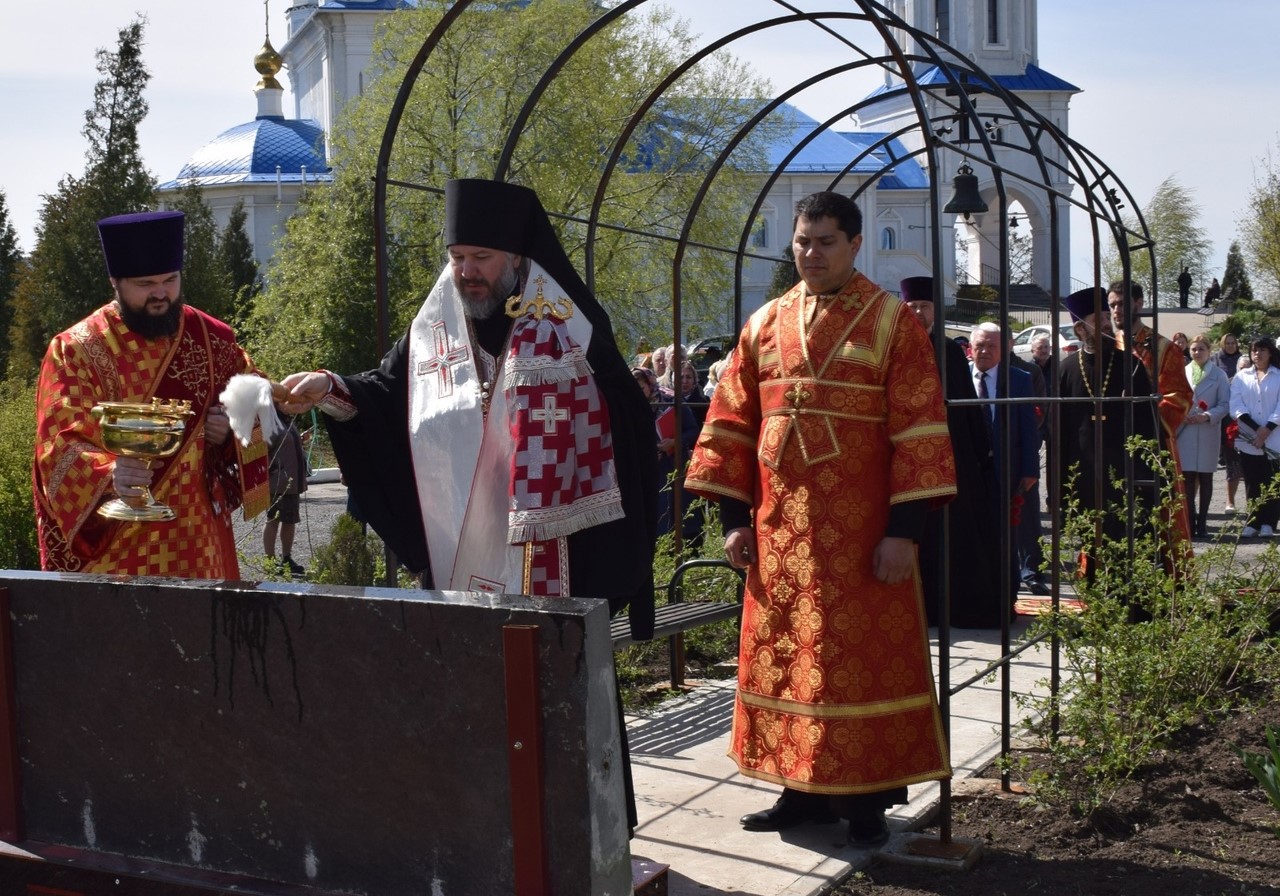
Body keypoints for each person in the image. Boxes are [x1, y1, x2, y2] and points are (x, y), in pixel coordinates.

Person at [278, 179, 658, 829]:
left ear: (515, 260)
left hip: (553, 559)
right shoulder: (437, 326)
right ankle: (482, 835)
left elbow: (627, 426)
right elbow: (386, 393)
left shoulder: (567, 325)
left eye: (480, 258)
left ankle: (585, 837)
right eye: (456, 257)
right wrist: (331, 388)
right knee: (472, 702)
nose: (466, 273)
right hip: (461, 549)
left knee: (562, 699)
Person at [684, 192, 957, 849]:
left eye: (825, 242)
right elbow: (729, 427)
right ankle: (797, 791)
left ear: (856, 244)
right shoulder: (765, 323)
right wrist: (732, 520)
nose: (810, 253)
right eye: (803, 242)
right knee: (789, 661)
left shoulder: (893, 324)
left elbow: (920, 435)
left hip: (862, 539)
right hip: (781, 538)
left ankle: (864, 804)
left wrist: (905, 532)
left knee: (855, 666)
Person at [33, 210, 270, 578]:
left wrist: (231, 430)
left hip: (199, 540)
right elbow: (57, 445)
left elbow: (259, 400)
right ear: (116, 281)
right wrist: (109, 472)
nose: (161, 293)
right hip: (115, 547)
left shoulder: (209, 339)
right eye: (145, 283)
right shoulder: (75, 350)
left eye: (170, 280)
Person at [900, 276, 999, 627]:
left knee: (952, 534)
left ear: (935, 311)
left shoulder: (950, 354)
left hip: (949, 459)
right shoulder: (893, 349)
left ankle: (950, 604)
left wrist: (979, 451)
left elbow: (968, 409)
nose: (918, 313)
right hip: (905, 461)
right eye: (912, 307)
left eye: (925, 307)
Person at [1058, 288, 1159, 569]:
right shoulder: (1065, 370)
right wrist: (1059, 486)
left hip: (1125, 473)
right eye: (1098, 317)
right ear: (1080, 329)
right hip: (1084, 475)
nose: (1107, 322)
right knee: (1090, 540)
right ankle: (1095, 599)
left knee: (1127, 540)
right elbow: (1059, 433)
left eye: (1107, 316)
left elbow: (1148, 426)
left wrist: (1146, 476)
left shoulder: (1132, 367)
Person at [1108, 280, 1193, 548]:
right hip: (1110, 444)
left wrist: (1140, 411)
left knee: (1155, 516)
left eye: (1121, 304)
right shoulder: (1108, 346)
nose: (1116, 311)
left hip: (1152, 445)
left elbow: (1179, 398)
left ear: (1139, 304)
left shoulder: (1164, 348)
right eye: (1111, 305)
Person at [970, 322, 1041, 622]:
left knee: (1005, 537)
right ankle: (974, 598)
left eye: (991, 346)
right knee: (972, 536)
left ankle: (1006, 599)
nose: (985, 351)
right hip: (970, 471)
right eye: (980, 346)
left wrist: (1029, 470)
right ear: (971, 348)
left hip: (1006, 470)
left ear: (1005, 348)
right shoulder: (957, 377)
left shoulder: (1019, 379)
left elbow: (1028, 429)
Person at [1176, 335, 1230, 538]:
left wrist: (1206, 416)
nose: (1197, 353)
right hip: (1186, 429)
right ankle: (1190, 521)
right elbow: (1175, 398)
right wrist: (1184, 415)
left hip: (1207, 429)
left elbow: (1225, 404)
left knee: (1206, 476)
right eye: (1194, 349)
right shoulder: (1183, 372)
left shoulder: (1219, 375)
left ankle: (1203, 522)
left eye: (1201, 349)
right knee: (1188, 477)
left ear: (1209, 351)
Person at [1229, 336, 1280, 538]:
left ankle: (1269, 522)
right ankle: (1253, 521)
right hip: (1249, 438)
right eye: (1254, 350)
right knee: (1252, 480)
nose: (1257, 354)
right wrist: (1255, 429)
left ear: (1270, 353)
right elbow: (1236, 405)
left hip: (1274, 438)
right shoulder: (1242, 377)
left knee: (1272, 482)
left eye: (1262, 350)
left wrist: (1267, 429)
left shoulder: (1278, 376)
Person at [264, 413, 309, 576]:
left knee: (290, 521)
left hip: (292, 483)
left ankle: (286, 558)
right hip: (278, 483)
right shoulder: (272, 424)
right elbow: (264, 450)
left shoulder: (288, 422)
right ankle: (269, 560)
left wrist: (301, 440)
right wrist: (273, 470)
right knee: (273, 519)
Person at [1213, 332, 1244, 511]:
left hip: (1241, 414)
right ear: (1223, 344)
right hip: (1223, 414)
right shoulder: (1215, 360)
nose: (1231, 345)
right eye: (1228, 343)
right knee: (1228, 457)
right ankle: (1229, 500)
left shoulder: (1242, 359)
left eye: (1234, 342)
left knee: (1239, 461)